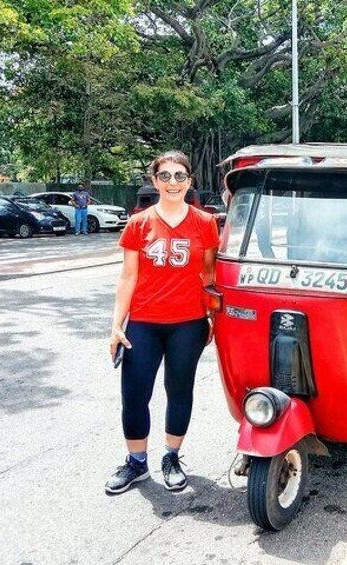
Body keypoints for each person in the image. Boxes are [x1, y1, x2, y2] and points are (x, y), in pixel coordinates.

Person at [105, 151, 219, 494]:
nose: (173, 182)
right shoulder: (139, 223)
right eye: (165, 176)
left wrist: (211, 314)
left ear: (189, 181)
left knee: (179, 390)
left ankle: (171, 456)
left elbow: (209, 273)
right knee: (135, 394)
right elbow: (127, 277)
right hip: (144, 322)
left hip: (188, 322)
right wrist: (116, 325)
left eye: (179, 176)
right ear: (155, 181)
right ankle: (136, 463)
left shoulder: (205, 222)